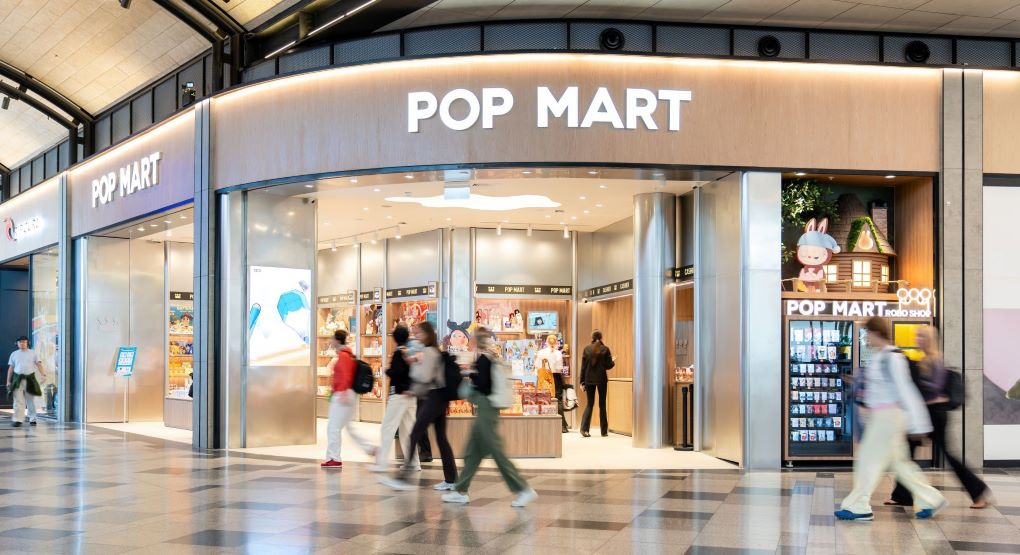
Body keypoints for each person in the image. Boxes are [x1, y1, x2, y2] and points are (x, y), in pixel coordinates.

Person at [835, 317, 947, 521]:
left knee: (867, 460)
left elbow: (906, 391)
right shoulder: (881, 357)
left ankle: (859, 506)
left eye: (867, 333)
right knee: (901, 465)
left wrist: (919, 424)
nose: (865, 338)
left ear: (876, 332)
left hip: (888, 419)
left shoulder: (892, 358)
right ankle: (931, 500)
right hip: (883, 418)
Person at [885, 326, 992, 509]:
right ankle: (902, 495)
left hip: (934, 416)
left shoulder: (935, 362)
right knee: (907, 453)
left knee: (946, 456)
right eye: (917, 336)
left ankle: (979, 492)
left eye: (921, 336)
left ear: (930, 339)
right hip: (925, 414)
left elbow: (934, 392)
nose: (918, 340)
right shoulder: (923, 361)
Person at [441, 327, 538, 507]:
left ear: (476, 340)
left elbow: (483, 386)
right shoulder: (489, 357)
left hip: (487, 408)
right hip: (488, 408)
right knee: (472, 452)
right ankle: (461, 490)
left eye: (472, 338)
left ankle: (523, 489)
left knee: (497, 453)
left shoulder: (484, 359)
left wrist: (469, 376)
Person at [379, 321, 457, 490]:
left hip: (435, 397)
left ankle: (403, 479)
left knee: (415, 433)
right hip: (440, 397)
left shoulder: (428, 352)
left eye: (419, 333)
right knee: (441, 439)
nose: (416, 336)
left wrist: (413, 363)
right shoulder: (432, 351)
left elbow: (424, 376)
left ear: (427, 334)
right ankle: (451, 480)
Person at [321, 329, 376, 468]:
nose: (331, 341)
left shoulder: (344, 356)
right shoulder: (347, 355)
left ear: (337, 340)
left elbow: (345, 375)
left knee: (333, 427)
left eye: (332, 338)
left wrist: (343, 391)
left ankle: (334, 458)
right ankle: (369, 448)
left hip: (342, 394)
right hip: (347, 393)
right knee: (349, 427)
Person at [371, 325, 420, 473]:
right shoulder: (410, 352)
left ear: (395, 338)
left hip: (398, 395)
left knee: (387, 427)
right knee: (408, 430)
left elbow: (397, 373)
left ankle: (382, 463)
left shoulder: (399, 353)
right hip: (411, 396)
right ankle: (413, 463)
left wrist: (387, 370)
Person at [579, 330, 614, 438]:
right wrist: (613, 361)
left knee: (590, 404)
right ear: (601, 337)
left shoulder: (586, 349)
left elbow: (583, 367)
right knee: (602, 404)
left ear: (592, 337)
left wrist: (582, 382)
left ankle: (584, 429)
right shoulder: (605, 349)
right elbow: (608, 365)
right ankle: (604, 431)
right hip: (601, 379)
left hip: (588, 379)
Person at [6, 336, 45, 427]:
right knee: (18, 400)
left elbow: (39, 364)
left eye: (24, 341)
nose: (22, 343)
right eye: (20, 342)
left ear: (27, 343)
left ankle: (32, 419)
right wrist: (8, 381)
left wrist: (43, 375)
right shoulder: (14, 354)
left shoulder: (33, 353)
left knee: (31, 400)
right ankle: (18, 419)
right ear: (17, 344)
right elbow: (11, 368)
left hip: (30, 378)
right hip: (17, 378)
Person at [535, 334, 569, 433]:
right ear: (556, 342)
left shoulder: (541, 352)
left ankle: (544, 425)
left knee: (543, 399)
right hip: (555, 377)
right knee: (557, 400)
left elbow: (537, 366)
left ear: (546, 342)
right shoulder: (558, 353)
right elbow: (559, 369)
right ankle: (562, 426)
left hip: (544, 377)